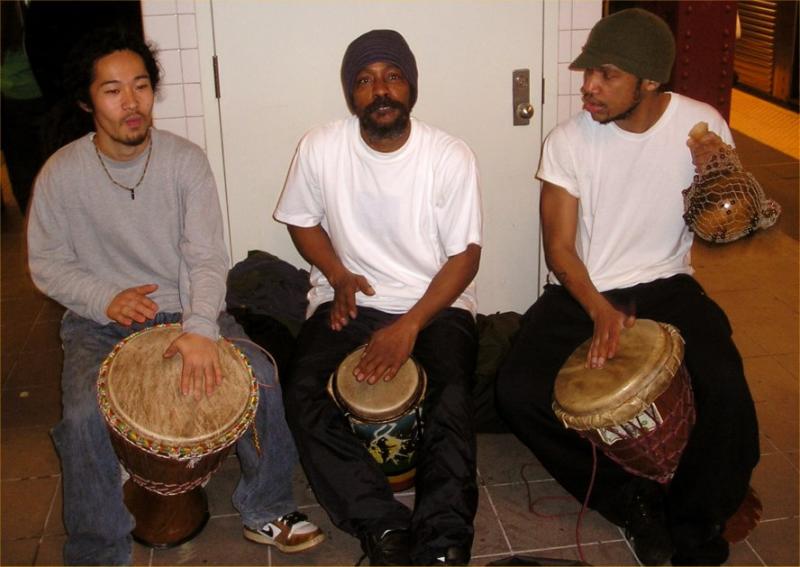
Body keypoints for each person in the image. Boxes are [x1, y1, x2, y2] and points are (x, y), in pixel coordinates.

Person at [26, 28, 323, 565]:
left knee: (262, 378)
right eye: (113, 90)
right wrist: (104, 297)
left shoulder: (185, 161)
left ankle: (267, 508)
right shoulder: (60, 175)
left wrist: (200, 327)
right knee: (82, 414)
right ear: (85, 100)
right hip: (97, 321)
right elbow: (47, 264)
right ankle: (98, 549)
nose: (132, 102)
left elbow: (207, 257)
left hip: (186, 306)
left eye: (140, 86)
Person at [495, 9, 759, 567]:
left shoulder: (701, 123)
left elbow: (724, 229)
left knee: (726, 384)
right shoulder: (568, 140)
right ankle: (631, 502)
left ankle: (694, 524)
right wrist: (598, 310)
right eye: (589, 71)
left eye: (606, 75)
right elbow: (560, 250)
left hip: (668, 283)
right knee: (516, 391)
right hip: (585, 287)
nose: (588, 86)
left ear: (650, 82)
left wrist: (716, 179)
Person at [274, 29, 482, 566]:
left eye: (393, 77)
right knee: (302, 389)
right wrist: (339, 275)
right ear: (351, 95)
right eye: (365, 81)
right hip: (351, 300)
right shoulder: (321, 146)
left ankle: (444, 540)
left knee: (452, 396)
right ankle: (383, 525)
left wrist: (410, 326)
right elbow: (301, 222)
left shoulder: (448, 155)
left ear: (411, 86)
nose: (380, 90)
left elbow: (465, 258)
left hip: (436, 305)